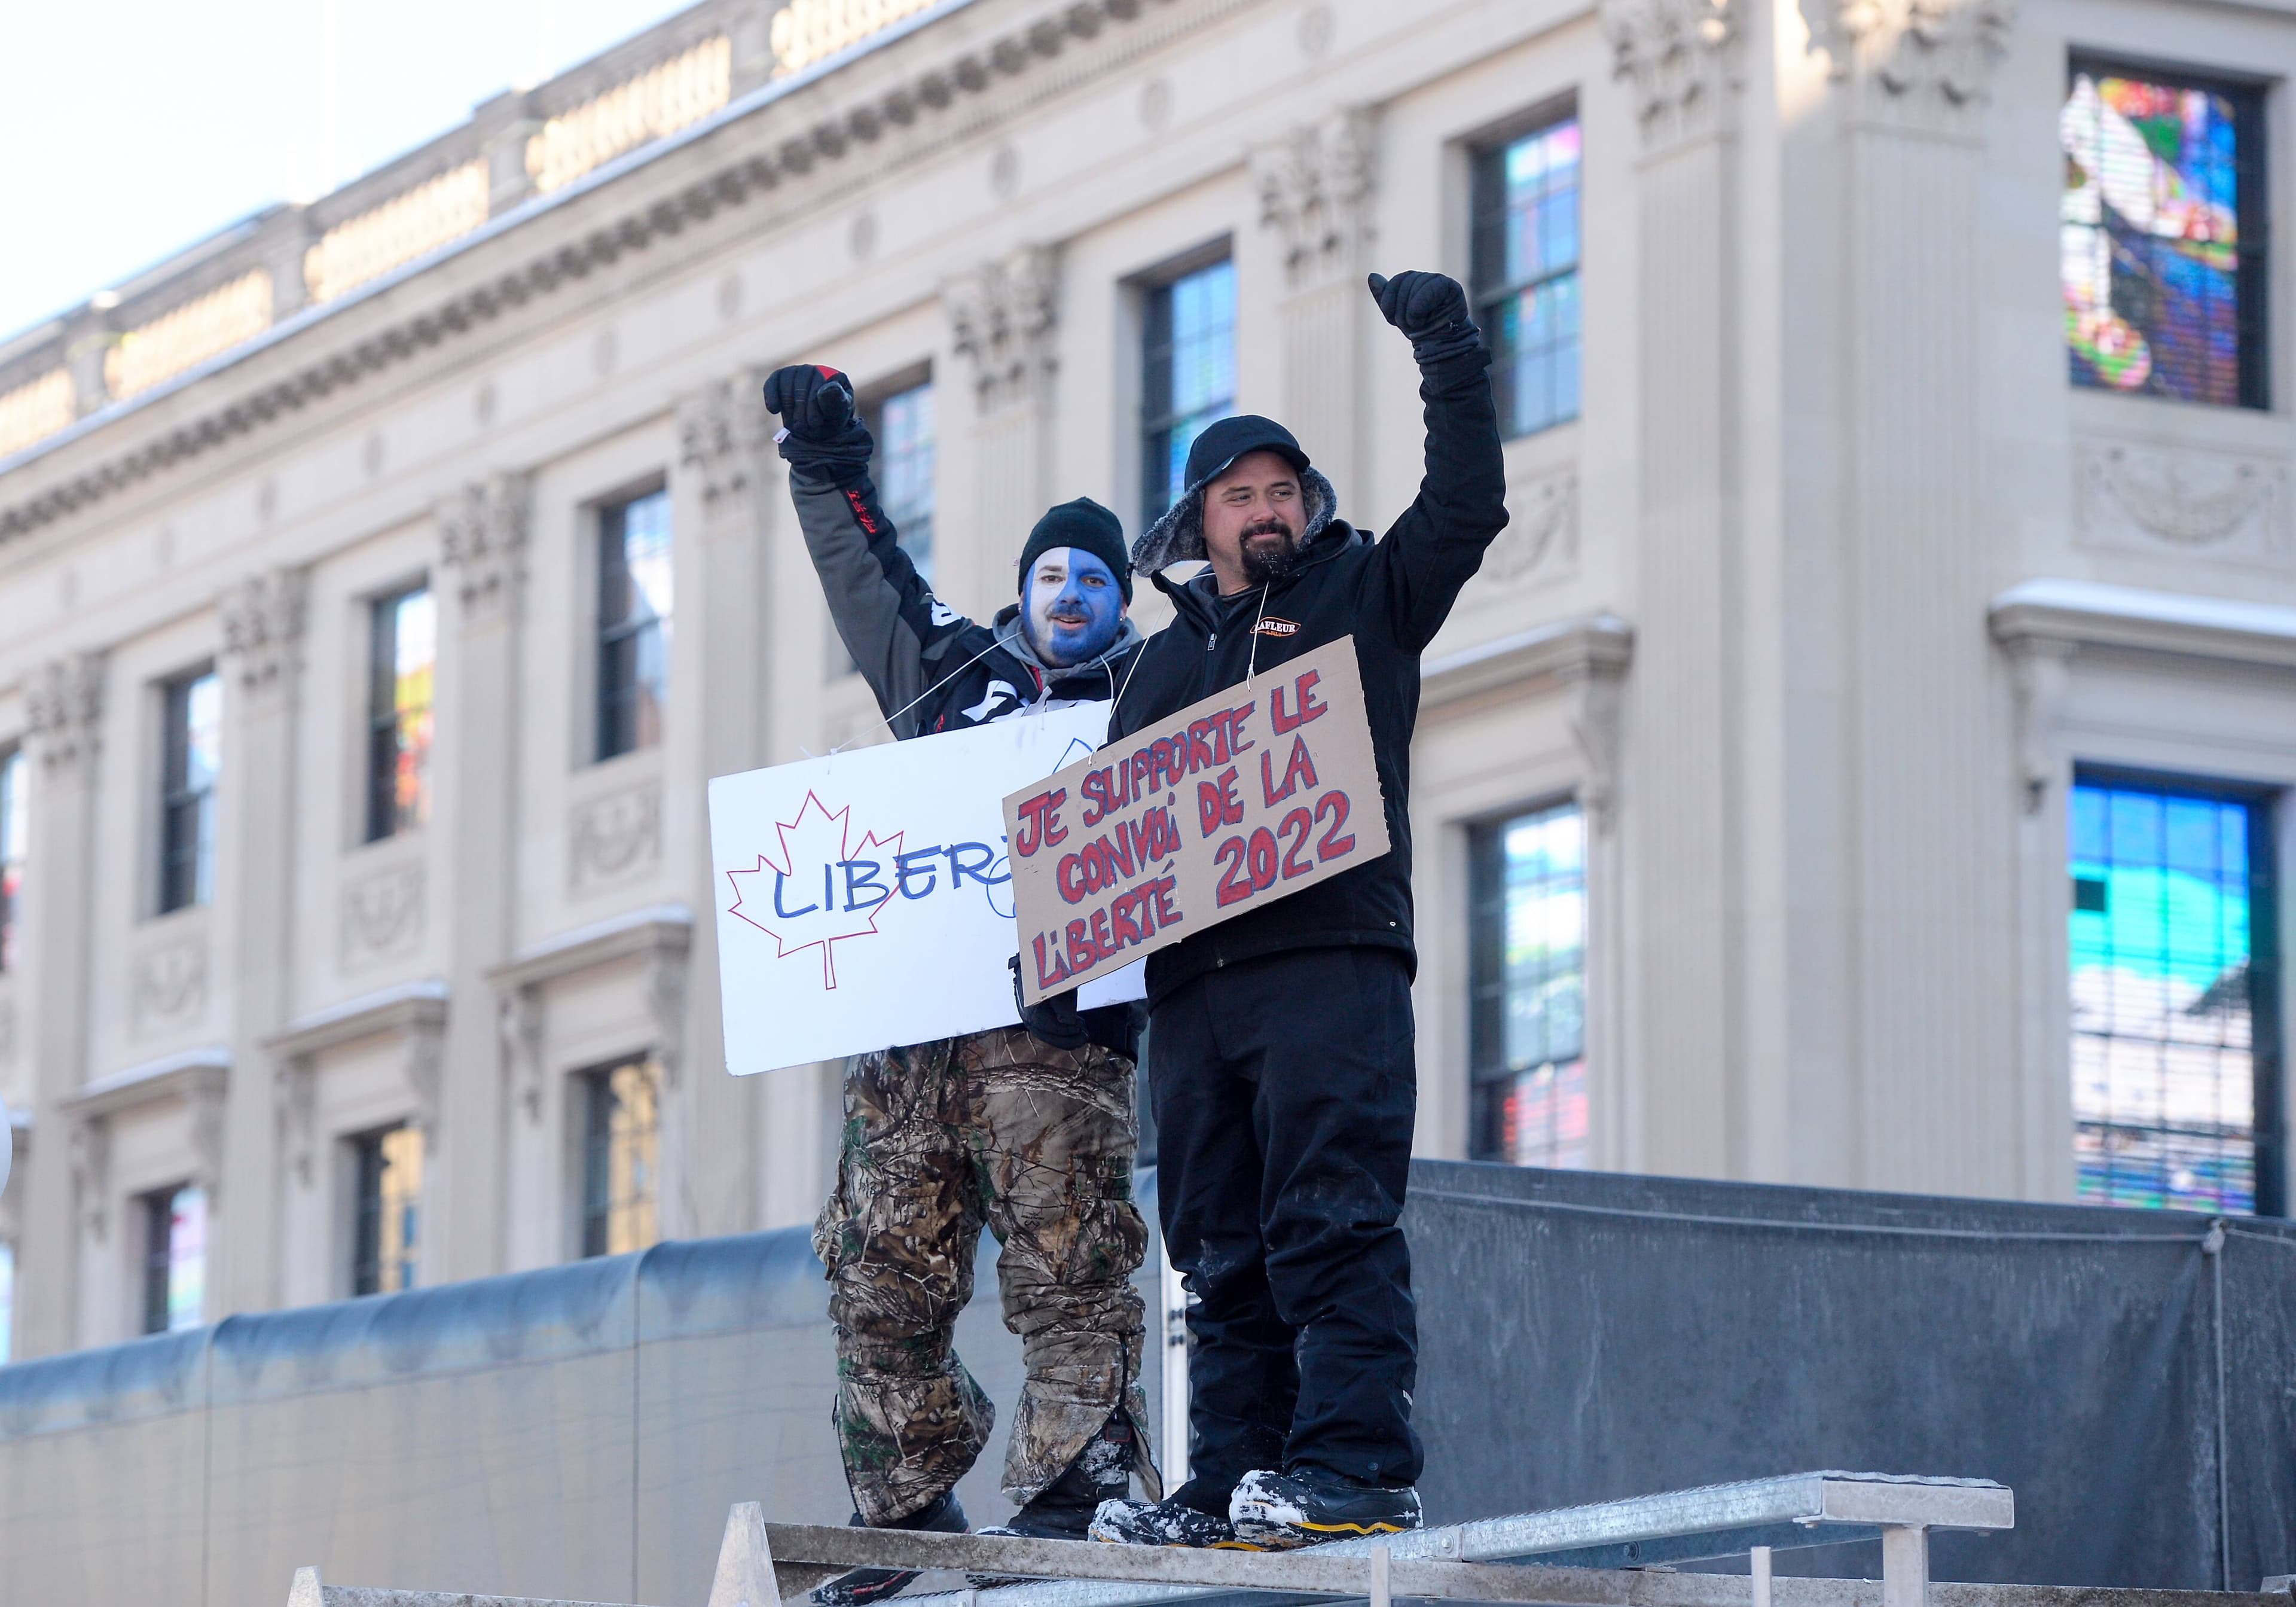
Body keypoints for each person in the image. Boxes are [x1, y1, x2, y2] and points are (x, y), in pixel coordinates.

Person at [1083, 271, 1507, 1551]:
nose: (1266, 511)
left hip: (1332, 963)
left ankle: (1355, 1464)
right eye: (1239, 494)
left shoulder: (1364, 592)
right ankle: (1232, 1480)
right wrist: (1070, 970)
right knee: (1219, 1252)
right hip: (1198, 993)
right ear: (1198, 519)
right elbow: (1106, 846)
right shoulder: (1158, 665)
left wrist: (1448, 352)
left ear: (1307, 507)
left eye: (1283, 491)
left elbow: (1468, 506)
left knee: (1331, 1215)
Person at [762, 364, 1159, 1603]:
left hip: (1058, 1037)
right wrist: (827, 465)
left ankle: (1077, 1483)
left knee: (1070, 1257)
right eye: (1056, 579)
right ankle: (903, 1495)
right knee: (877, 1256)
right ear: (1029, 594)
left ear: (1119, 602)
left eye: (1096, 582)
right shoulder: (953, 674)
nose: (1074, 598)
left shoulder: (1157, 698)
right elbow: (865, 576)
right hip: (914, 1028)